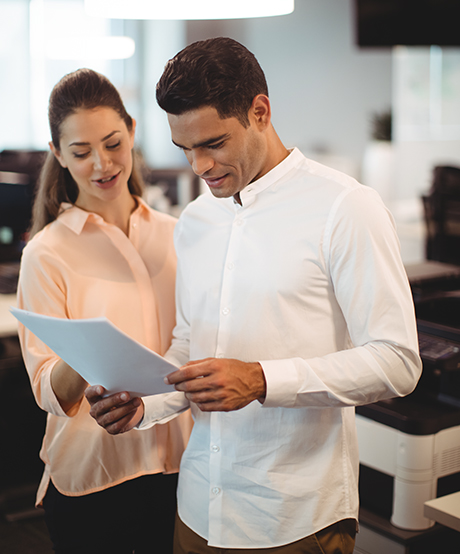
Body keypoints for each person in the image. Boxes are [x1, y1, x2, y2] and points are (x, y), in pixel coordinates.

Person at [86, 38, 422, 553]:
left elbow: (397, 362)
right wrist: (143, 405)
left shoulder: (346, 208)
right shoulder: (195, 221)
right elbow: (188, 346)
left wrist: (264, 379)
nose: (198, 166)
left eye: (213, 143)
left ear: (260, 112)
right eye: (184, 149)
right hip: (197, 508)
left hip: (294, 518)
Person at [16, 68, 192, 554]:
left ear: (133, 130)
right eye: (80, 152)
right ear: (58, 154)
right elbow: (44, 388)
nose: (102, 163)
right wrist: (89, 352)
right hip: (92, 479)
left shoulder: (178, 235)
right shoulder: (47, 253)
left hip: (180, 469)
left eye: (113, 143)